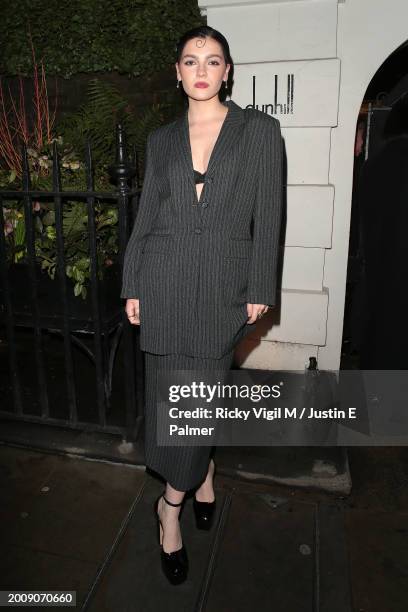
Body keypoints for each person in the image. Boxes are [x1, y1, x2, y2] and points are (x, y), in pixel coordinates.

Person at [120, 25, 284, 584]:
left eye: (212, 61)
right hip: (163, 283)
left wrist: (262, 284)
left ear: (228, 71)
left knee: (199, 399)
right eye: (191, 61)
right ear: (178, 72)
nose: (201, 70)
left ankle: (168, 507)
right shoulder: (161, 139)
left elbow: (270, 216)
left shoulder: (260, 132)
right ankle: (201, 474)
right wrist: (133, 283)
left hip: (222, 289)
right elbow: (146, 219)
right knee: (172, 401)